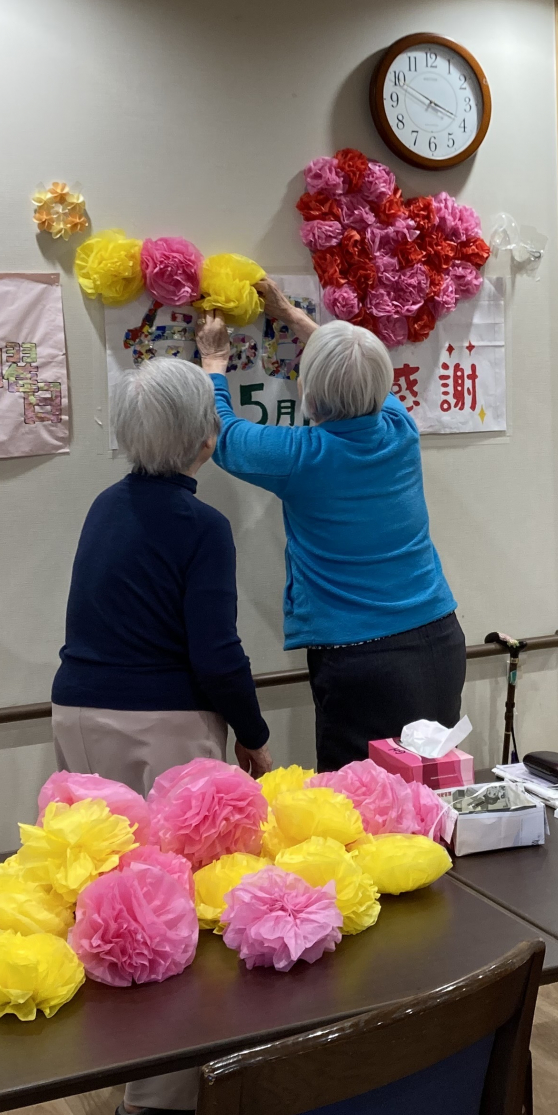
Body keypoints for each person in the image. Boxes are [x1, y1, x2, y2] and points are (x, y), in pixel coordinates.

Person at [50, 356, 272, 1115]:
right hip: (160, 724)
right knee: (178, 897)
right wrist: (254, 736)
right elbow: (216, 653)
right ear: (205, 438)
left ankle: (124, 1064)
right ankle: (170, 1090)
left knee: (107, 889)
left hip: (77, 712)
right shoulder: (201, 527)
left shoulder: (103, 507)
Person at [197, 279, 462, 770]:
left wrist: (213, 363)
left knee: (357, 801)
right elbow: (357, 370)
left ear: (308, 391)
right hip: (438, 640)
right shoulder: (399, 428)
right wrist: (292, 316)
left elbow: (224, 436)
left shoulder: (304, 456)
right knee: (429, 788)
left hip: (361, 659)